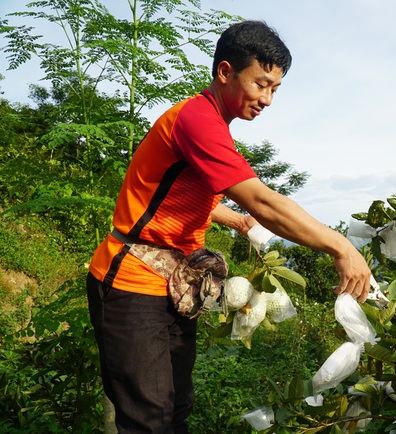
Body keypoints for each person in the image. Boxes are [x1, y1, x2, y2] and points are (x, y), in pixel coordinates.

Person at [86, 20, 371, 433]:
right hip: (131, 284)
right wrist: (341, 247)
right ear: (225, 72)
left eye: (275, 89)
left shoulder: (215, 126)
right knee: (148, 419)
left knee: (176, 407)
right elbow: (263, 200)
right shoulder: (197, 120)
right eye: (261, 84)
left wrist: (235, 219)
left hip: (175, 283)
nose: (268, 99)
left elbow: (180, 191)